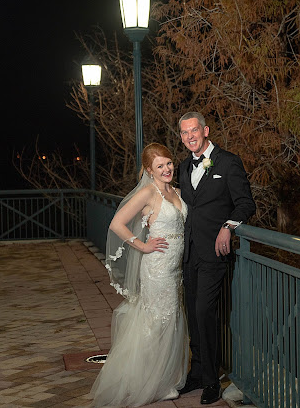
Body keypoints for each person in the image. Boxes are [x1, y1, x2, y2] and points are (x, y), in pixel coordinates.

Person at [90, 143, 189, 407]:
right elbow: (116, 223)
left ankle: (166, 378)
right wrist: (143, 245)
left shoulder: (177, 192)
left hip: (175, 269)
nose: (167, 169)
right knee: (157, 322)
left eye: (168, 163)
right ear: (149, 170)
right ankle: (146, 381)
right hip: (157, 268)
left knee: (172, 321)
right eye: (160, 166)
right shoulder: (148, 192)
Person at [177, 112, 256, 404]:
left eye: (193, 130)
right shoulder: (185, 167)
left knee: (203, 312)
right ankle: (196, 373)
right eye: (184, 133)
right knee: (193, 318)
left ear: (205, 130)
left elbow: (246, 204)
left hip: (214, 254)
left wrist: (228, 226)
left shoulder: (228, 162)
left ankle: (212, 381)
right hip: (189, 254)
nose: (189, 136)